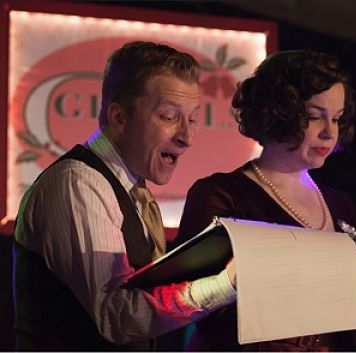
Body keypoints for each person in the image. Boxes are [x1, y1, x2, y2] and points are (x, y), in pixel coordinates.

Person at [175, 49, 356, 351]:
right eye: (315, 117)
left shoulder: (342, 205)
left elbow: (347, 339)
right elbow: (210, 312)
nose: (330, 133)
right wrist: (342, 296)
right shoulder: (222, 196)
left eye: (338, 118)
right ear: (278, 112)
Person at [12, 41, 236, 350]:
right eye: (170, 117)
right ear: (118, 118)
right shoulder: (77, 185)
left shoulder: (134, 192)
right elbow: (116, 317)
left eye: (194, 118)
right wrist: (225, 284)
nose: (187, 137)